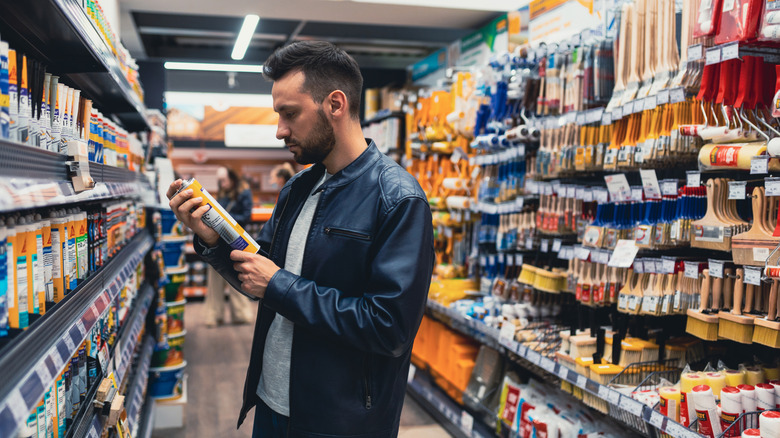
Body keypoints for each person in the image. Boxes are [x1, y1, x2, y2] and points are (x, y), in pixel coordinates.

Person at [167, 41, 434, 438]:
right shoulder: (297, 188)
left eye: (289, 113)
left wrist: (280, 284)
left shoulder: (398, 199)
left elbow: (388, 328)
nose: (280, 130)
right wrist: (212, 239)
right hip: (271, 402)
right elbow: (260, 274)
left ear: (336, 104)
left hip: (340, 422)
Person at [203, 166, 255, 326]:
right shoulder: (222, 193)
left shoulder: (244, 192)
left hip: (237, 242)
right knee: (214, 281)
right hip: (219, 241)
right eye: (220, 181)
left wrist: (225, 218)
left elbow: (246, 216)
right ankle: (213, 315)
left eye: (224, 180)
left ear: (232, 178)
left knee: (237, 278)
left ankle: (241, 314)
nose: (222, 184)